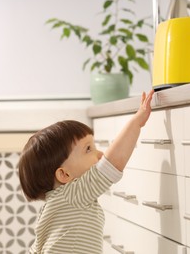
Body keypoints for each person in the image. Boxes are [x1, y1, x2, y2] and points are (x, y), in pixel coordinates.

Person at [18, 90, 154, 254]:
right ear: (64, 175)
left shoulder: (53, 204)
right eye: (88, 149)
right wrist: (136, 122)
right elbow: (112, 162)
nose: (100, 154)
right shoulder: (72, 195)